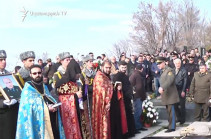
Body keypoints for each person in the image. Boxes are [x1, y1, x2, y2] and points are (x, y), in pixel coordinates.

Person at [16, 64, 65, 139]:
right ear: (30, 74)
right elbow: (29, 108)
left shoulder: (44, 86)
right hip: (37, 123)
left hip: (50, 119)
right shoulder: (27, 89)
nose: (37, 75)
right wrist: (46, 108)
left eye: (39, 73)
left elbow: (48, 98)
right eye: (34, 73)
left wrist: (53, 105)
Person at [54, 52, 83, 139]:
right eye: (67, 60)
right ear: (61, 61)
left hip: (76, 103)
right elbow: (57, 91)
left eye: (70, 60)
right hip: (66, 105)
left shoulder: (73, 73)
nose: (69, 62)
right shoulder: (57, 74)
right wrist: (74, 95)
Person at [113, 61, 136, 137]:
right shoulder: (117, 76)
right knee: (124, 117)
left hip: (128, 98)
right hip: (122, 99)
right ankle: (126, 133)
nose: (124, 69)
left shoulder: (126, 76)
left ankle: (131, 131)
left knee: (129, 115)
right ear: (119, 67)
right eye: (122, 67)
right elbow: (116, 87)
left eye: (125, 67)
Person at [157, 57, 179, 133]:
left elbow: (169, 80)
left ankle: (172, 127)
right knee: (168, 111)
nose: (158, 65)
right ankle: (170, 124)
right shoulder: (163, 71)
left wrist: (162, 87)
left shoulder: (169, 70)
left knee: (171, 111)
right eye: (157, 64)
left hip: (171, 95)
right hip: (166, 95)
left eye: (159, 63)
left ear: (164, 63)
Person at [92, 60, 113, 139]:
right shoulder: (100, 77)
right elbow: (102, 91)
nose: (108, 69)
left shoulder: (105, 76)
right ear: (102, 67)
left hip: (105, 104)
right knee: (103, 125)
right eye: (106, 67)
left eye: (109, 68)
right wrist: (107, 102)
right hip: (101, 105)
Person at [0, 50, 19, 139]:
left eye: (4, 59)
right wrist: (2, 103)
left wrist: (17, 98)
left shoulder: (9, 75)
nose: (4, 62)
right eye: (1, 59)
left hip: (12, 111)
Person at [79, 55, 96, 138]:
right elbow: (82, 88)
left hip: (95, 97)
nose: (91, 63)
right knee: (88, 118)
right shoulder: (83, 74)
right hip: (87, 98)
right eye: (90, 61)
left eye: (92, 61)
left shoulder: (94, 72)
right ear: (85, 63)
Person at [129, 64, 147, 133]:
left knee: (137, 111)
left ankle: (139, 126)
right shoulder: (138, 75)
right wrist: (143, 96)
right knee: (138, 112)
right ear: (141, 69)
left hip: (135, 95)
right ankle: (137, 127)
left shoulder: (133, 74)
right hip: (138, 96)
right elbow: (139, 87)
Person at [173, 58, 188, 125]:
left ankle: (183, 119)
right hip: (174, 90)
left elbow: (185, 81)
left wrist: (183, 91)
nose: (177, 65)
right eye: (176, 63)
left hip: (181, 89)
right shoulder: (172, 70)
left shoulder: (184, 70)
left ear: (180, 63)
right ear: (174, 64)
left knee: (182, 105)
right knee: (175, 105)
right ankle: (178, 118)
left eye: (179, 63)